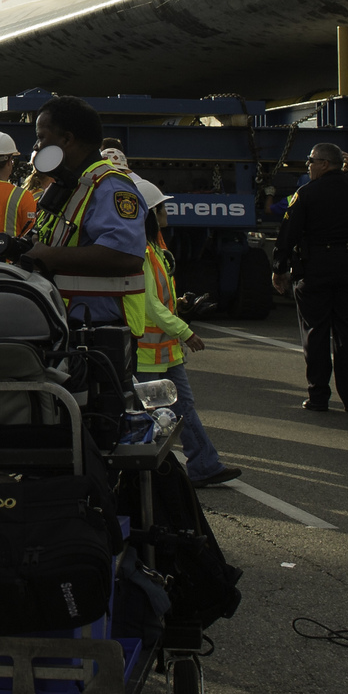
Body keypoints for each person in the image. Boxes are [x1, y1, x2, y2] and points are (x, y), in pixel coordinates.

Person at [130, 179, 241, 488]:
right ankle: (155, 472)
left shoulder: (151, 247)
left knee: (179, 409)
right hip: (151, 353)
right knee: (155, 414)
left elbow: (157, 300)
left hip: (163, 351)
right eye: (163, 207)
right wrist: (185, 330)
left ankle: (203, 464)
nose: (168, 212)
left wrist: (180, 307)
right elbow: (150, 305)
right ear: (151, 213)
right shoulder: (142, 250)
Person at [23, 96, 148, 329]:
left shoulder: (110, 187)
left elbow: (126, 256)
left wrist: (50, 256)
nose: (36, 147)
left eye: (41, 137)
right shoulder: (74, 184)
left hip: (97, 332)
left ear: (67, 139)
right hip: (66, 324)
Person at [272, 142, 348, 412]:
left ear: (325, 164)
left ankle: (318, 396)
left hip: (316, 269)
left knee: (315, 334)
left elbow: (287, 234)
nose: (308, 166)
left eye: (311, 161)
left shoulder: (306, 194)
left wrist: (279, 268)